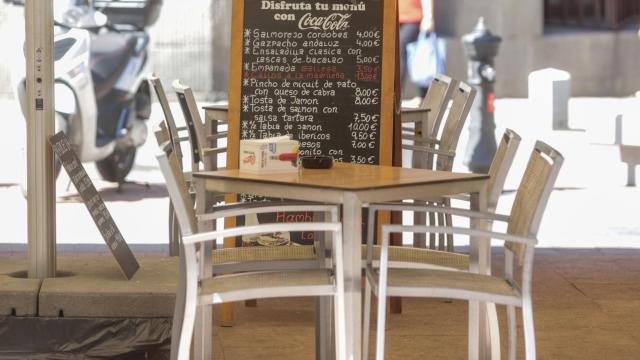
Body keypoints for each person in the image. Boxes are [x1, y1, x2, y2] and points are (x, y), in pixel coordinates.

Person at [398, 0, 434, 100]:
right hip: (391, 18)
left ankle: (396, 93)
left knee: (400, 50)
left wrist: (428, 17)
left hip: (413, 18)